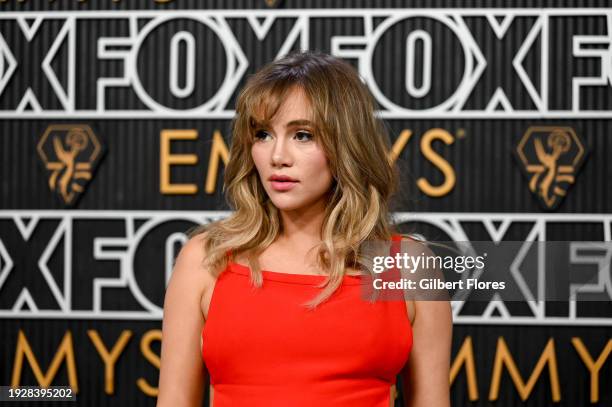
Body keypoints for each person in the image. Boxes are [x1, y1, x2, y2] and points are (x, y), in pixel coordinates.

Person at [157, 50, 452, 407]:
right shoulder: (205, 259)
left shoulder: (409, 266)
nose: (278, 156)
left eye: (302, 135)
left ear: (346, 144)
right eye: (263, 134)